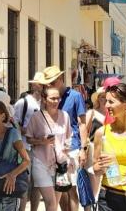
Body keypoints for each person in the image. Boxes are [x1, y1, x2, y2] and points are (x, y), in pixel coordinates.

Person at [39, 66, 88, 211]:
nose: (48, 86)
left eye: (51, 83)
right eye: (47, 84)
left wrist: (83, 149)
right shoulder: (47, 98)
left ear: (60, 80)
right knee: (58, 190)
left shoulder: (75, 96)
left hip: (70, 148)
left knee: (70, 188)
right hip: (51, 150)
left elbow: (82, 124)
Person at [25, 85, 72, 211]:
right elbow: (28, 138)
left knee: (54, 204)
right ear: (44, 99)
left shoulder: (65, 116)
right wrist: (41, 141)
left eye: (58, 98)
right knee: (50, 202)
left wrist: (68, 158)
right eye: (52, 98)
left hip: (60, 166)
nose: (56, 101)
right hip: (41, 163)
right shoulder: (36, 117)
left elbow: (68, 138)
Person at [0, 101, 31, 211]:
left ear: (2, 116)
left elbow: (26, 160)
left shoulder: (13, 134)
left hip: (10, 187)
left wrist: (12, 175)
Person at [13, 72, 44, 211]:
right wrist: (27, 131)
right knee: (24, 183)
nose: (43, 85)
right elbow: (14, 124)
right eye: (41, 83)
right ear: (34, 85)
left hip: (42, 150)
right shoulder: (23, 103)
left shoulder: (47, 102)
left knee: (37, 184)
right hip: (26, 149)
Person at [85, 86, 107, 206]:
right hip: (93, 148)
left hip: (109, 149)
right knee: (94, 177)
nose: (104, 100)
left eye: (106, 97)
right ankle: (94, 202)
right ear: (98, 99)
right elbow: (85, 132)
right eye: (102, 97)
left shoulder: (113, 114)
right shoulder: (91, 113)